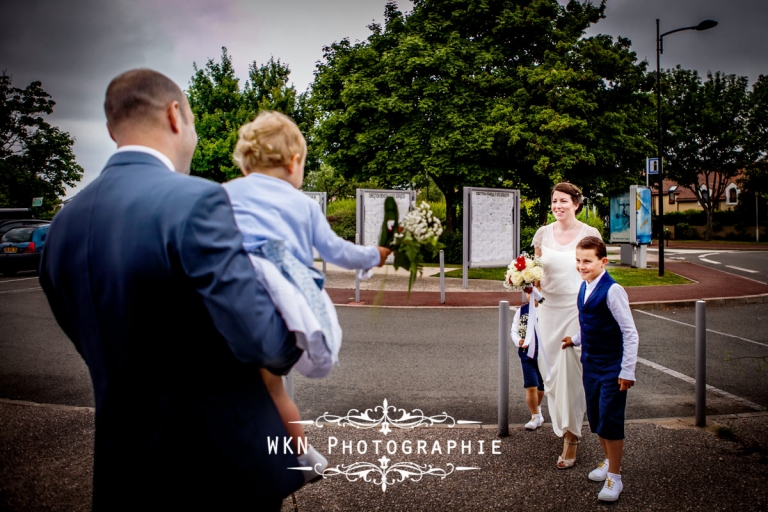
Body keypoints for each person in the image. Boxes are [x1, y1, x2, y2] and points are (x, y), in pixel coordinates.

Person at [39, 69, 305, 511]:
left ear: (111, 128)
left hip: (123, 475)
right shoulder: (198, 201)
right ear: (175, 115)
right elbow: (270, 347)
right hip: (218, 477)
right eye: (196, 123)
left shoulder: (64, 224)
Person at [221, 110, 390, 478]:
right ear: (294, 161)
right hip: (273, 302)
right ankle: (301, 456)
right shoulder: (302, 204)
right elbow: (336, 251)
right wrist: (373, 256)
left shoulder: (224, 193)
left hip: (225, 296)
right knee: (274, 387)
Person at [562, 236, 638, 502]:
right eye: (578, 261)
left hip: (612, 367)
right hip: (591, 364)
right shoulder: (584, 286)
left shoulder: (613, 290)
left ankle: (614, 478)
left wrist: (627, 371)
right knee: (596, 417)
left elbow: (630, 333)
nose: (581, 266)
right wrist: (575, 339)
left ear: (603, 261)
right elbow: (588, 323)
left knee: (610, 419)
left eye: (587, 261)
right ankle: (608, 460)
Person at [532, 182, 601, 469]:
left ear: (576, 203)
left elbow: (597, 273)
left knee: (571, 374)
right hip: (545, 312)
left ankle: (571, 438)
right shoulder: (542, 233)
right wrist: (525, 284)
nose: (557, 206)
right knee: (550, 377)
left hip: (576, 309)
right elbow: (535, 274)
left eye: (563, 201)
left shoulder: (589, 234)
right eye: (554, 201)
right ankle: (562, 423)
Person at [511, 291, 544, 430]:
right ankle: (535, 416)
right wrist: (519, 340)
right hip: (527, 354)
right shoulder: (521, 311)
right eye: (528, 293)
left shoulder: (546, 310)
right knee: (531, 385)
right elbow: (514, 330)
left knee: (541, 387)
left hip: (543, 355)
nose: (532, 296)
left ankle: (538, 408)